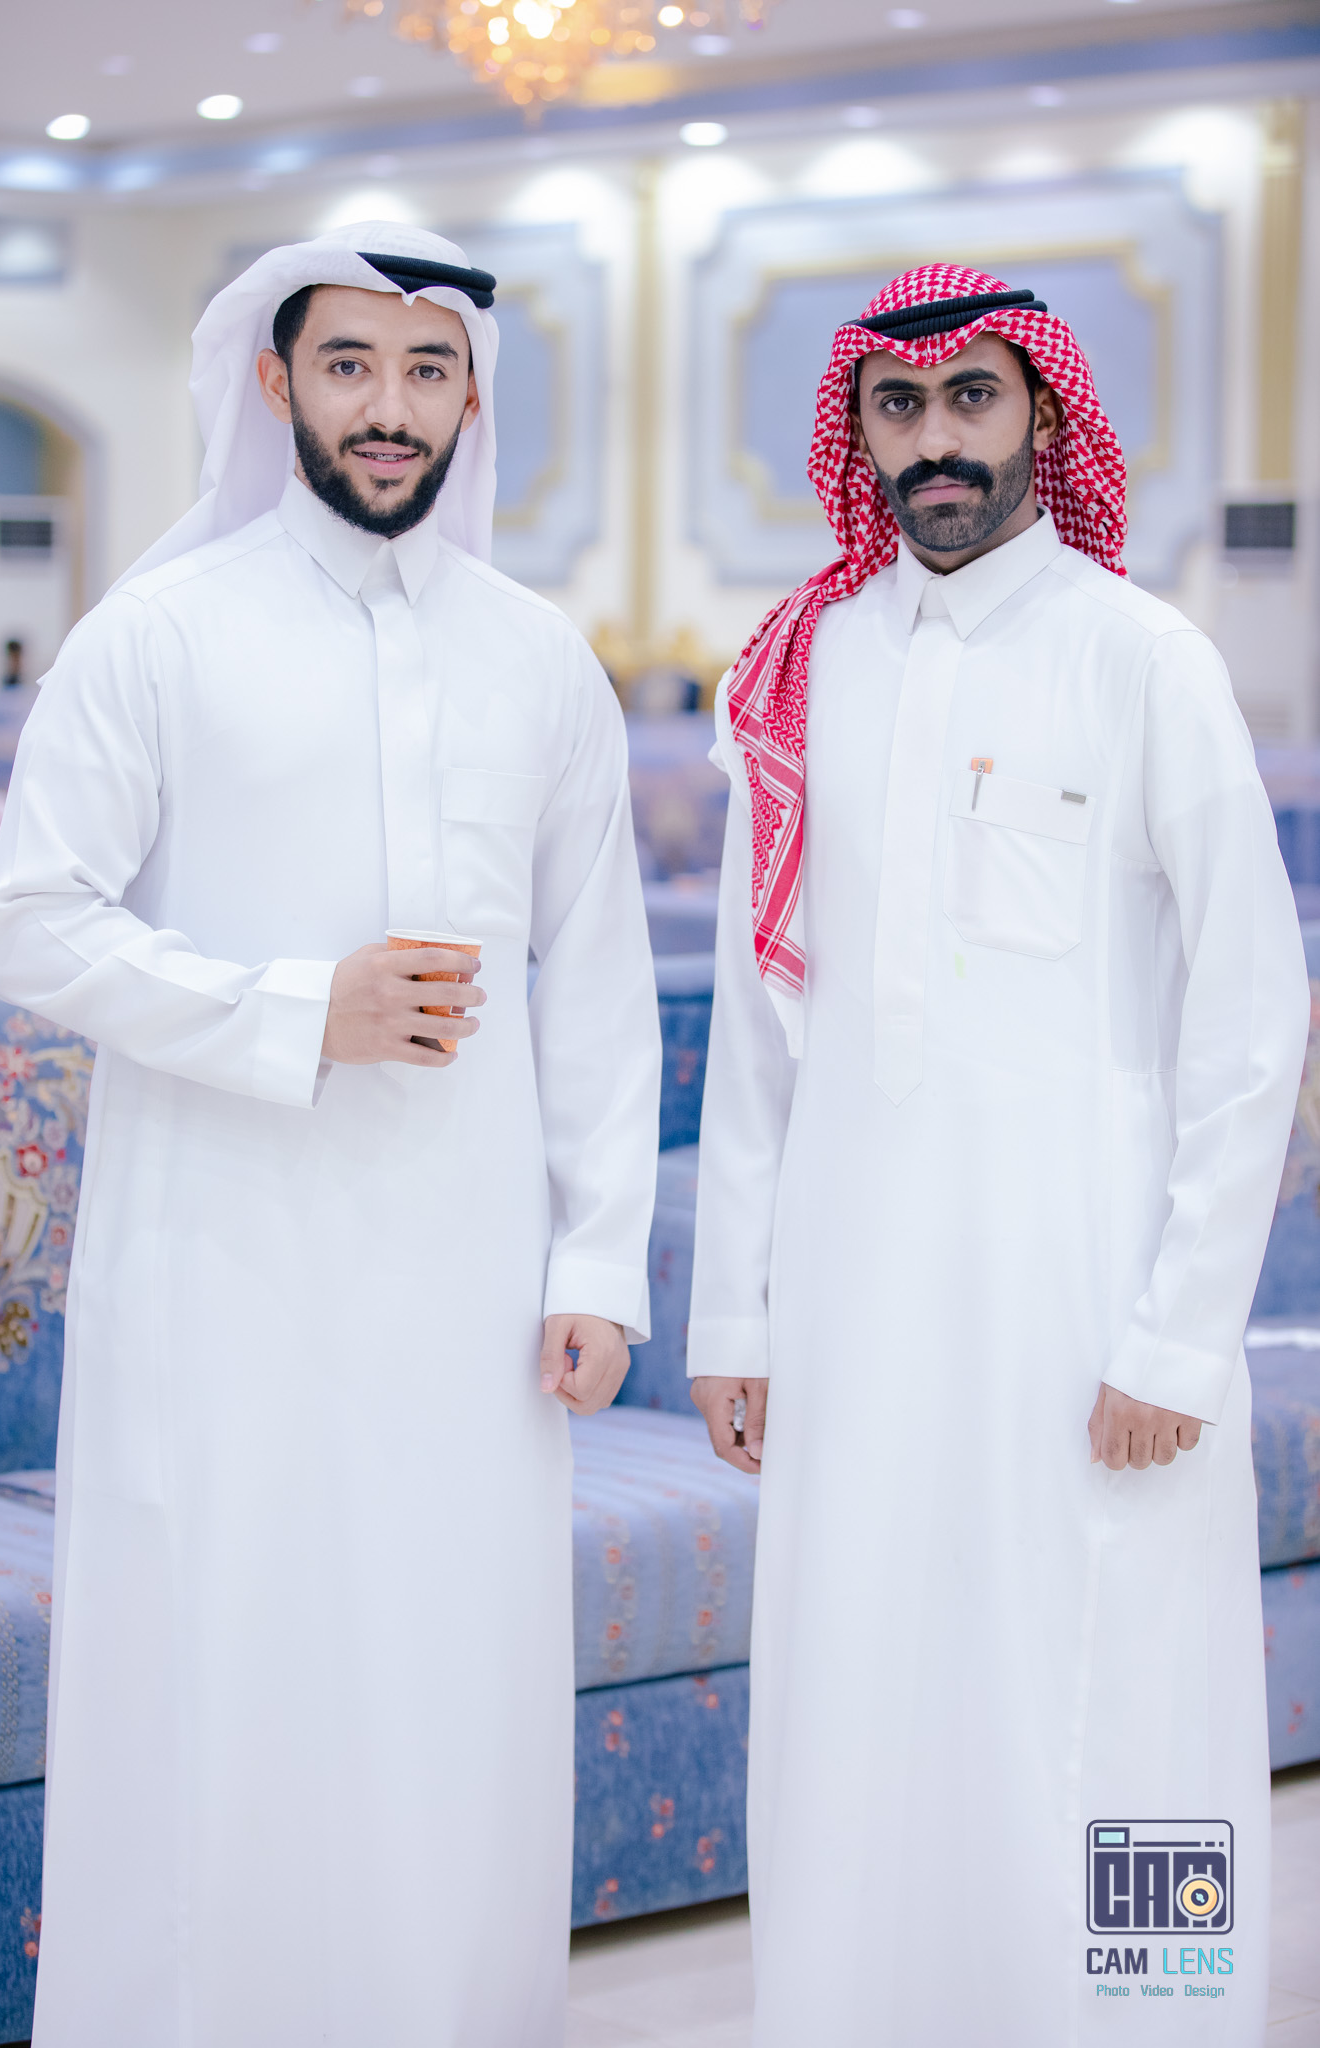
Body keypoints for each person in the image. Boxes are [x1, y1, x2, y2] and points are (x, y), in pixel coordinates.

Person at [0, 223, 661, 2048]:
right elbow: (24, 921)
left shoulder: (539, 662)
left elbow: (599, 982)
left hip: (469, 1300)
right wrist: (298, 1012)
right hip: (223, 1274)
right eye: (350, 364)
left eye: (427, 371)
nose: (389, 407)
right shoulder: (159, 634)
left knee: (451, 1696)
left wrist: (599, 1259)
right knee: (225, 1683)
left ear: (469, 402)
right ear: (275, 381)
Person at [688, 264, 1307, 2046]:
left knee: (1125, 1702)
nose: (935, 440)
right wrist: (732, 1314)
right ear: (857, 432)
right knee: (862, 1693)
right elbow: (758, 1034)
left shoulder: (1142, 659)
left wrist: (1178, 1335)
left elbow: (1250, 1023)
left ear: (1039, 412)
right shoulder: (798, 674)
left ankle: (1151, 2021)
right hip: (854, 1308)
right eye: (899, 406)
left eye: (972, 397)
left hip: (1085, 1305)